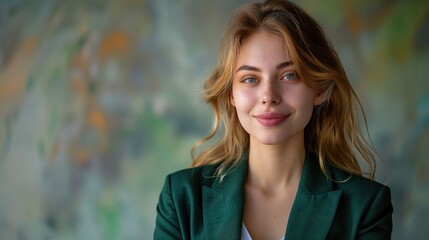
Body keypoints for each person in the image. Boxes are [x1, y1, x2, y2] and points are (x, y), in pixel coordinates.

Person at [154, 0, 393, 239]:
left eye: (289, 75)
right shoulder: (181, 199)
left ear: (319, 89)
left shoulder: (365, 206)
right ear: (231, 94)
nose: (268, 96)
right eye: (250, 79)